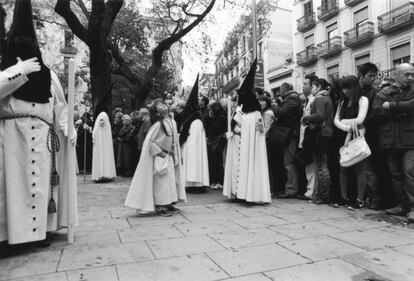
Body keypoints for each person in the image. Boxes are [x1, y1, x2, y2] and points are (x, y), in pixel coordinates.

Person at [0, 0, 78, 247]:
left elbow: (60, 105)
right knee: (10, 190)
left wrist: (69, 127)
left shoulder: (49, 73)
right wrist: (17, 71)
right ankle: (7, 237)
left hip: (43, 138)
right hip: (11, 137)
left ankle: (40, 232)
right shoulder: (6, 67)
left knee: (42, 187)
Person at [125, 100, 186, 216]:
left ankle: (169, 203)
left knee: (170, 181)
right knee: (161, 182)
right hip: (161, 156)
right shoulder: (158, 124)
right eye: (160, 106)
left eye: (163, 104)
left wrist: (175, 154)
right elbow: (151, 142)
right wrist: (160, 153)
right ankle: (160, 205)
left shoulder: (171, 121)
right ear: (157, 113)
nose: (164, 106)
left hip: (170, 156)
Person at [223, 58, 271, 204]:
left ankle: (249, 194)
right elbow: (234, 123)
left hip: (251, 147)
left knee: (247, 168)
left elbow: (260, 133)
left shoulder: (257, 114)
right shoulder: (240, 109)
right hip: (238, 144)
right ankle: (238, 193)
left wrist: (253, 142)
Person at [373, 63, 414, 221]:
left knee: (409, 172)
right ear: (396, 75)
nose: (410, 77)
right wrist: (401, 112)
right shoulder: (384, 91)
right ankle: (402, 205)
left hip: (410, 140)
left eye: (412, 74)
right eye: (407, 74)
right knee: (395, 175)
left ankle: (412, 207)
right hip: (389, 140)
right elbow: (376, 110)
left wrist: (391, 106)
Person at [334, 76, 369, 210]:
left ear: (354, 87)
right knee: (343, 166)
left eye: (347, 87)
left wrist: (344, 123)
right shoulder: (342, 103)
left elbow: (360, 119)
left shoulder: (362, 100)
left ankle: (360, 199)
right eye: (343, 88)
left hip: (357, 135)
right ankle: (344, 197)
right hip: (344, 136)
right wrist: (347, 126)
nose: (345, 91)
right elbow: (336, 120)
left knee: (359, 167)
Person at [302, 78, 334, 204]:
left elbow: (320, 116)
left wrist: (307, 117)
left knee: (321, 166)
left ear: (318, 86)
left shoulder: (320, 98)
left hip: (321, 134)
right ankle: (322, 194)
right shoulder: (327, 97)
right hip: (327, 133)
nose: (312, 89)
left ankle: (322, 196)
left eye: (313, 86)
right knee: (323, 165)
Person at [180, 75, 210, 194]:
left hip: (195, 149)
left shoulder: (196, 120)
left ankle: (197, 185)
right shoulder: (191, 118)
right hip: (190, 147)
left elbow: (194, 138)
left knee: (195, 165)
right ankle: (191, 184)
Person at [272, 83, 303, 198]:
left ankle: (291, 190)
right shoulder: (291, 98)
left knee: (289, 163)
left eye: (280, 90)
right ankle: (291, 188)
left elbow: (283, 113)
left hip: (290, 135)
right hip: (290, 134)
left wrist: (275, 106)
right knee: (289, 162)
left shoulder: (291, 98)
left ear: (284, 89)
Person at [298, 75, 319, 200]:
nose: (303, 86)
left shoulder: (313, 100)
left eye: (306, 84)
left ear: (312, 86)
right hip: (305, 137)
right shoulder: (307, 100)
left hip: (310, 137)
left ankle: (312, 192)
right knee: (308, 164)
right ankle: (310, 190)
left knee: (312, 165)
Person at [206, 101, 227, 189]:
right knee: (216, 161)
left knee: (217, 161)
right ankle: (217, 181)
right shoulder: (220, 116)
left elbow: (213, 129)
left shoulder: (220, 117)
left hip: (217, 141)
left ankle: (219, 181)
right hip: (218, 141)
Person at [92, 111, 116, 182]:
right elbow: (94, 135)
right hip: (98, 148)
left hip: (104, 148)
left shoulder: (107, 132)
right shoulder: (98, 130)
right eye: (100, 120)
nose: (102, 122)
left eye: (103, 120)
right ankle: (99, 174)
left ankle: (107, 174)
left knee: (106, 158)